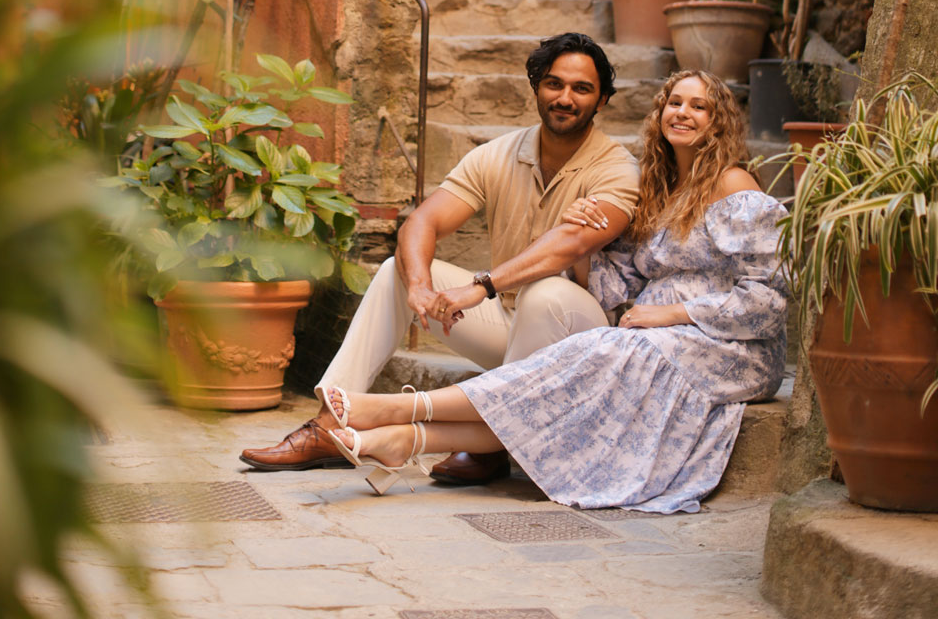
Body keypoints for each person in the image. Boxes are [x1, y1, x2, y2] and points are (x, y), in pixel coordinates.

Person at [322, 69, 789, 513]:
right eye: (675, 102)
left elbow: (768, 300)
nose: (683, 112)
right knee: (563, 383)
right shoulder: (660, 189)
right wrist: (581, 241)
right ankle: (406, 439)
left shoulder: (733, 184)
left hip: (727, 346)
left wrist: (668, 315)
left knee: (602, 351)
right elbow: (614, 287)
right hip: (652, 338)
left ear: (718, 121)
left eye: (699, 106)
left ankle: (395, 408)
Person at [239, 32, 640, 483]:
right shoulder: (499, 154)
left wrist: (482, 286)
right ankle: (329, 424)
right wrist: (419, 288)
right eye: (554, 84)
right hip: (510, 328)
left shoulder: (617, 168)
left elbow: (571, 245)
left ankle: (487, 440)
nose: (565, 98)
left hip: (578, 340)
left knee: (546, 292)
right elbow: (421, 223)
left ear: (602, 99)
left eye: (581, 89)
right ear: (536, 87)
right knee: (397, 270)